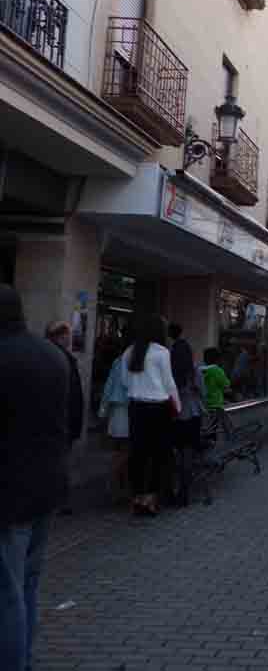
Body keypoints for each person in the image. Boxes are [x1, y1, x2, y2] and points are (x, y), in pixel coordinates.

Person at [0, 286, 70, 671]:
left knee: (6, 591)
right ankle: (23, 656)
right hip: (47, 485)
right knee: (27, 583)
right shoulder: (52, 355)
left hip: (10, 492)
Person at [122, 314, 179, 517]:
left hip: (136, 407)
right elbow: (169, 383)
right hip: (158, 408)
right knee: (158, 454)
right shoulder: (162, 352)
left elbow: (124, 381)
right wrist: (177, 406)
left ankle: (137, 497)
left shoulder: (129, 351)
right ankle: (151, 498)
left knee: (137, 453)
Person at [44, 322, 83, 515]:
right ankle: (57, 500)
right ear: (59, 336)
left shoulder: (59, 357)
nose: (70, 339)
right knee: (58, 462)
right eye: (67, 335)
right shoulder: (60, 358)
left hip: (61, 420)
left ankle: (57, 500)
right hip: (61, 421)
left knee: (57, 461)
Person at [169, 324, 205, 507]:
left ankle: (172, 489)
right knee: (188, 453)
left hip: (176, 416)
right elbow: (202, 393)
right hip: (193, 415)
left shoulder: (171, 372)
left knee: (175, 452)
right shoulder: (195, 371)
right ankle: (185, 491)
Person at [98, 344, 131, 503]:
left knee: (120, 449)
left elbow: (108, 386)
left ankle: (118, 487)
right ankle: (115, 484)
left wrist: (103, 410)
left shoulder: (118, 361)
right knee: (125, 450)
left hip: (117, 409)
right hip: (127, 410)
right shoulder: (135, 361)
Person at [201, 348, 230, 430]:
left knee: (206, 428)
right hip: (215, 404)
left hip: (203, 405)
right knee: (215, 428)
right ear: (218, 359)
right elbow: (226, 384)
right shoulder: (217, 370)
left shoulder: (200, 370)